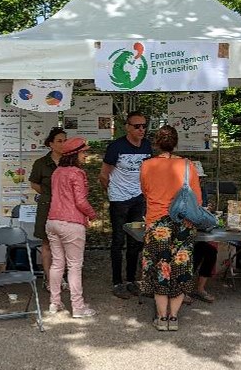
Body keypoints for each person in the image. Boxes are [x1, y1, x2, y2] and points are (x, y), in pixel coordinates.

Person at [139, 125, 202, 332]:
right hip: (183, 222)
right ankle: (174, 317)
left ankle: (161, 317)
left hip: (157, 222)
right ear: (176, 143)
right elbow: (197, 199)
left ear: (157, 143)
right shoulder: (188, 165)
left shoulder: (147, 165)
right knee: (181, 268)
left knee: (160, 267)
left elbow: (145, 192)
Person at [100, 111, 153, 300]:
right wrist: (112, 192)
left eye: (144, 126)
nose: (141, 130)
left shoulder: (147, 145)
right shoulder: (116, 147)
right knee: (118, 240)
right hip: (119, 200)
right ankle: (117, 282)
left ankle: (131, 280)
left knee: (136, 240)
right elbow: (104, 174)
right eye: (137, 126)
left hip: (138, 198)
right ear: (127, 127)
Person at [46, 137, 98, 318]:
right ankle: (78, 307)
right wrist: (92, 214)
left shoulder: (57, 172)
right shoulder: (77, 173)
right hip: (72, 223)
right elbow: (81, 201)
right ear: (75, 154)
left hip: (52, 221)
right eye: (84, 152)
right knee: (74, 266)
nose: (86, 155)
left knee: (57, 264)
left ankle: (54, 302)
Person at [30, 127, 67, 287]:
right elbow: (34, 184)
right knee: (47, 243)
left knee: (64, 243)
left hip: (66, 207)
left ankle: (61, 276)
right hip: (47, 206)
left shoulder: (70, 162)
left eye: (65, 141)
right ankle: (48, 278)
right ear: (51, 144)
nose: (63, 144)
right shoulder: (41, 163)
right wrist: (49, 194)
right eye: (59, 141)